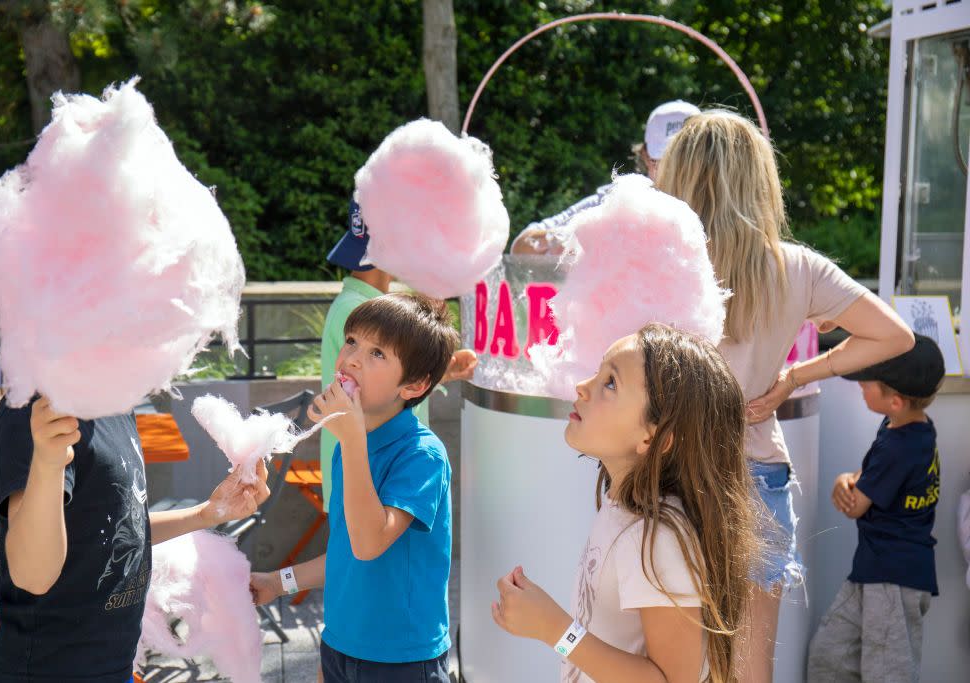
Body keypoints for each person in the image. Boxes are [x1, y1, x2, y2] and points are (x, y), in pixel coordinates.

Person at [654, 109, 915, 683]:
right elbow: (895, 335)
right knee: (750, 669)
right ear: (760, 180)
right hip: (756, 473)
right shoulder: (794, 267)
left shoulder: (659, 264)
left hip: (669, 471)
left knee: (666, 664)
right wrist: (793, 378)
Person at [491, 323, 759, 682]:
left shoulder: (656, 537)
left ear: (654, 437)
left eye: (611, 383)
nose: (583, 387)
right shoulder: (625, 512)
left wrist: (554, 629)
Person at [0, 395, 271, 683]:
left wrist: (204, 515)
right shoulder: (33, 415)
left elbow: (115, 528)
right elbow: (32, 575)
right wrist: (46, 464)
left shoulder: (118, 404)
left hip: (115, 666)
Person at [252, 292, 459, 682]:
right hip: (341, 646)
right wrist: (277, 583)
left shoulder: (422, 455)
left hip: (402, 660)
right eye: (351, 341)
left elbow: (369, 543)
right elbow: (346, 555)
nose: (351, 359)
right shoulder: (352, 445)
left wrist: (350, 441)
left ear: (414, 385)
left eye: (377, 353)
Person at [320, 198, 476, 510]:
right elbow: (368, 388)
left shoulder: (358, 304)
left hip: (369, 456)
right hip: (372, 459)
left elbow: (371, 382)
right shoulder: (361, 309)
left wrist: (440, 372)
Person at [807, 334, 944, 683]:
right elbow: (867, 478)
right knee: (831, 656)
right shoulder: (908, 429)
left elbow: (855, 504)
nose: (861, 387)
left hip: (892, 580)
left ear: (895, 401)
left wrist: (843, 487)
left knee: (887, 673)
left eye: (868, 384)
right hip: (875, 569)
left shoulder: (900, 446)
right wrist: (846, 478)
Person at [510, 100, 700, 256]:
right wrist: (564, 238)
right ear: (644, 154)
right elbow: (521, 247)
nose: (671, 170)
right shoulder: (614, 203)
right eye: (659, 160)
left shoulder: (718, 211)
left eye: (682, 161)